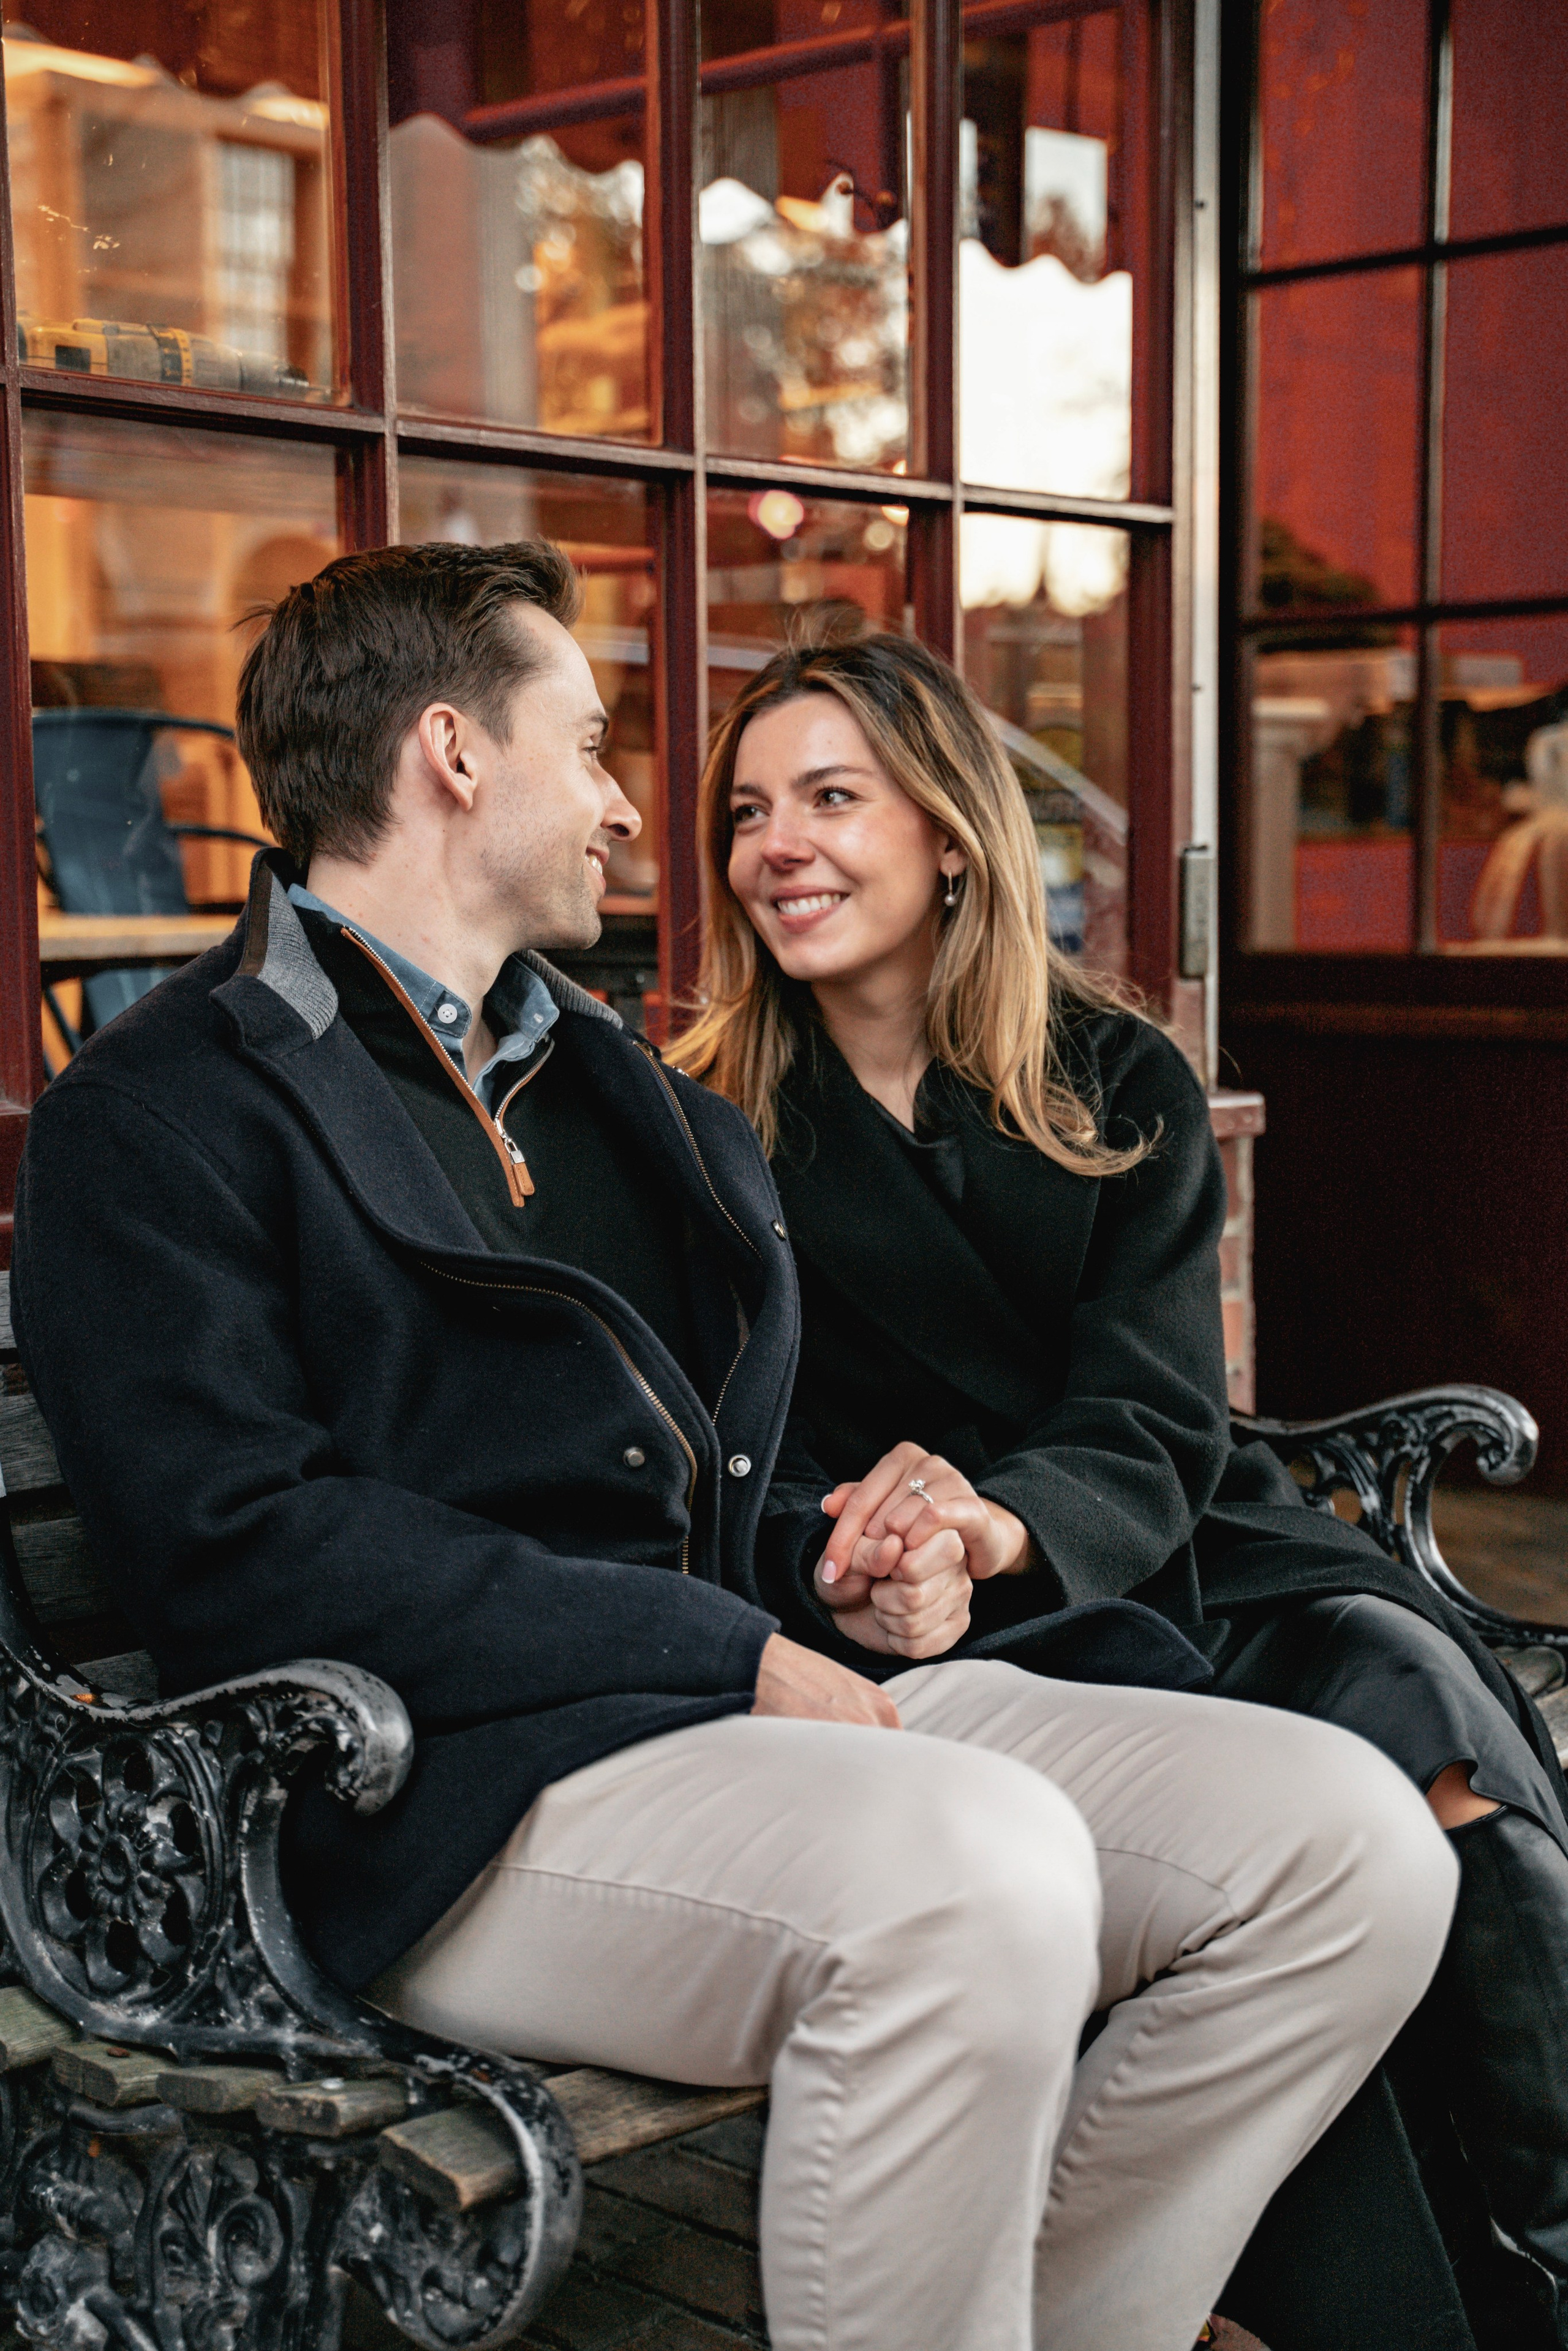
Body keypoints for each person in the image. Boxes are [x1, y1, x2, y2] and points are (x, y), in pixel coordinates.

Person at [12, 544, 1457, 2351]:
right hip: (427, 1792)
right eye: (595, 743)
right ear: (456, 756)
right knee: (976, 1868)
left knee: (1346, 1849)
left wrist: (847, 1563)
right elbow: (236, 1548)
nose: (632, 808)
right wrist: (729, 1646)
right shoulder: (165, 1106)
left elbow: (720, 1483)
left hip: (743, 1710)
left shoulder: (630, 1098)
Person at [669, 617, 1568, 2351]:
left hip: (1177, 1545)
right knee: (1306, 1835)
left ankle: (1536, 2248)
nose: (779, 844)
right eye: (748, 811)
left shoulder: (1112, 1077)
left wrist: (1007, 1519)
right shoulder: (701, 1125)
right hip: (947, 1639)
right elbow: (724, 1450)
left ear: (948, 830)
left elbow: (1158, 1413)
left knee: (1443, 1748)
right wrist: (900, 1555)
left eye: (834, 796)